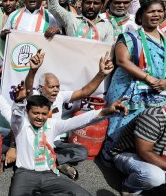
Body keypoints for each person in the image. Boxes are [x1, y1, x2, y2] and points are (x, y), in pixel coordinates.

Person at [20, 49, 113, 179]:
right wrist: (33, 70)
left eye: (57, 87)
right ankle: (56, 162)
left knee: (82, 152)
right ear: (41, 88)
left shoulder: (60, 96)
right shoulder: (34, 97)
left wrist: (101, 74)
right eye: (51, 87)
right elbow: (27, 88)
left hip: (56, 142)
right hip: (36, 141)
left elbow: (84, 92)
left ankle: (54, 161)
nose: (55, 90)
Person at [8, 95, 128, 196]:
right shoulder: (20, 125)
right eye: (35, 113)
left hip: (49, 173)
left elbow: (78, 121)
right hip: (25, 174)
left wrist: (105, 111)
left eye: (43, 113)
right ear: (27, 112)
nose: (40, 117)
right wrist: (19, 102)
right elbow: (16, 116)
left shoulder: (52, 124)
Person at [102, 0, 166, 164]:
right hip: (128, 88)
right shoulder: (130, 37)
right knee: (121, 120)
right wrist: (147, 78)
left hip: (157, 91)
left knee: (147, 126)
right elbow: (122, 61)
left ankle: (135, 159)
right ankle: (111, 157)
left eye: (159, 11)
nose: (156, 15)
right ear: (141, 16)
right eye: (151, 12)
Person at [111, 96, 166, 194]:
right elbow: (144, 153)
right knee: (154, 176)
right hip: (130, 156)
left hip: (162, 158)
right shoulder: (154, 117)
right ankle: (129, 187)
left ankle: (161, 183)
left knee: (163, 177)